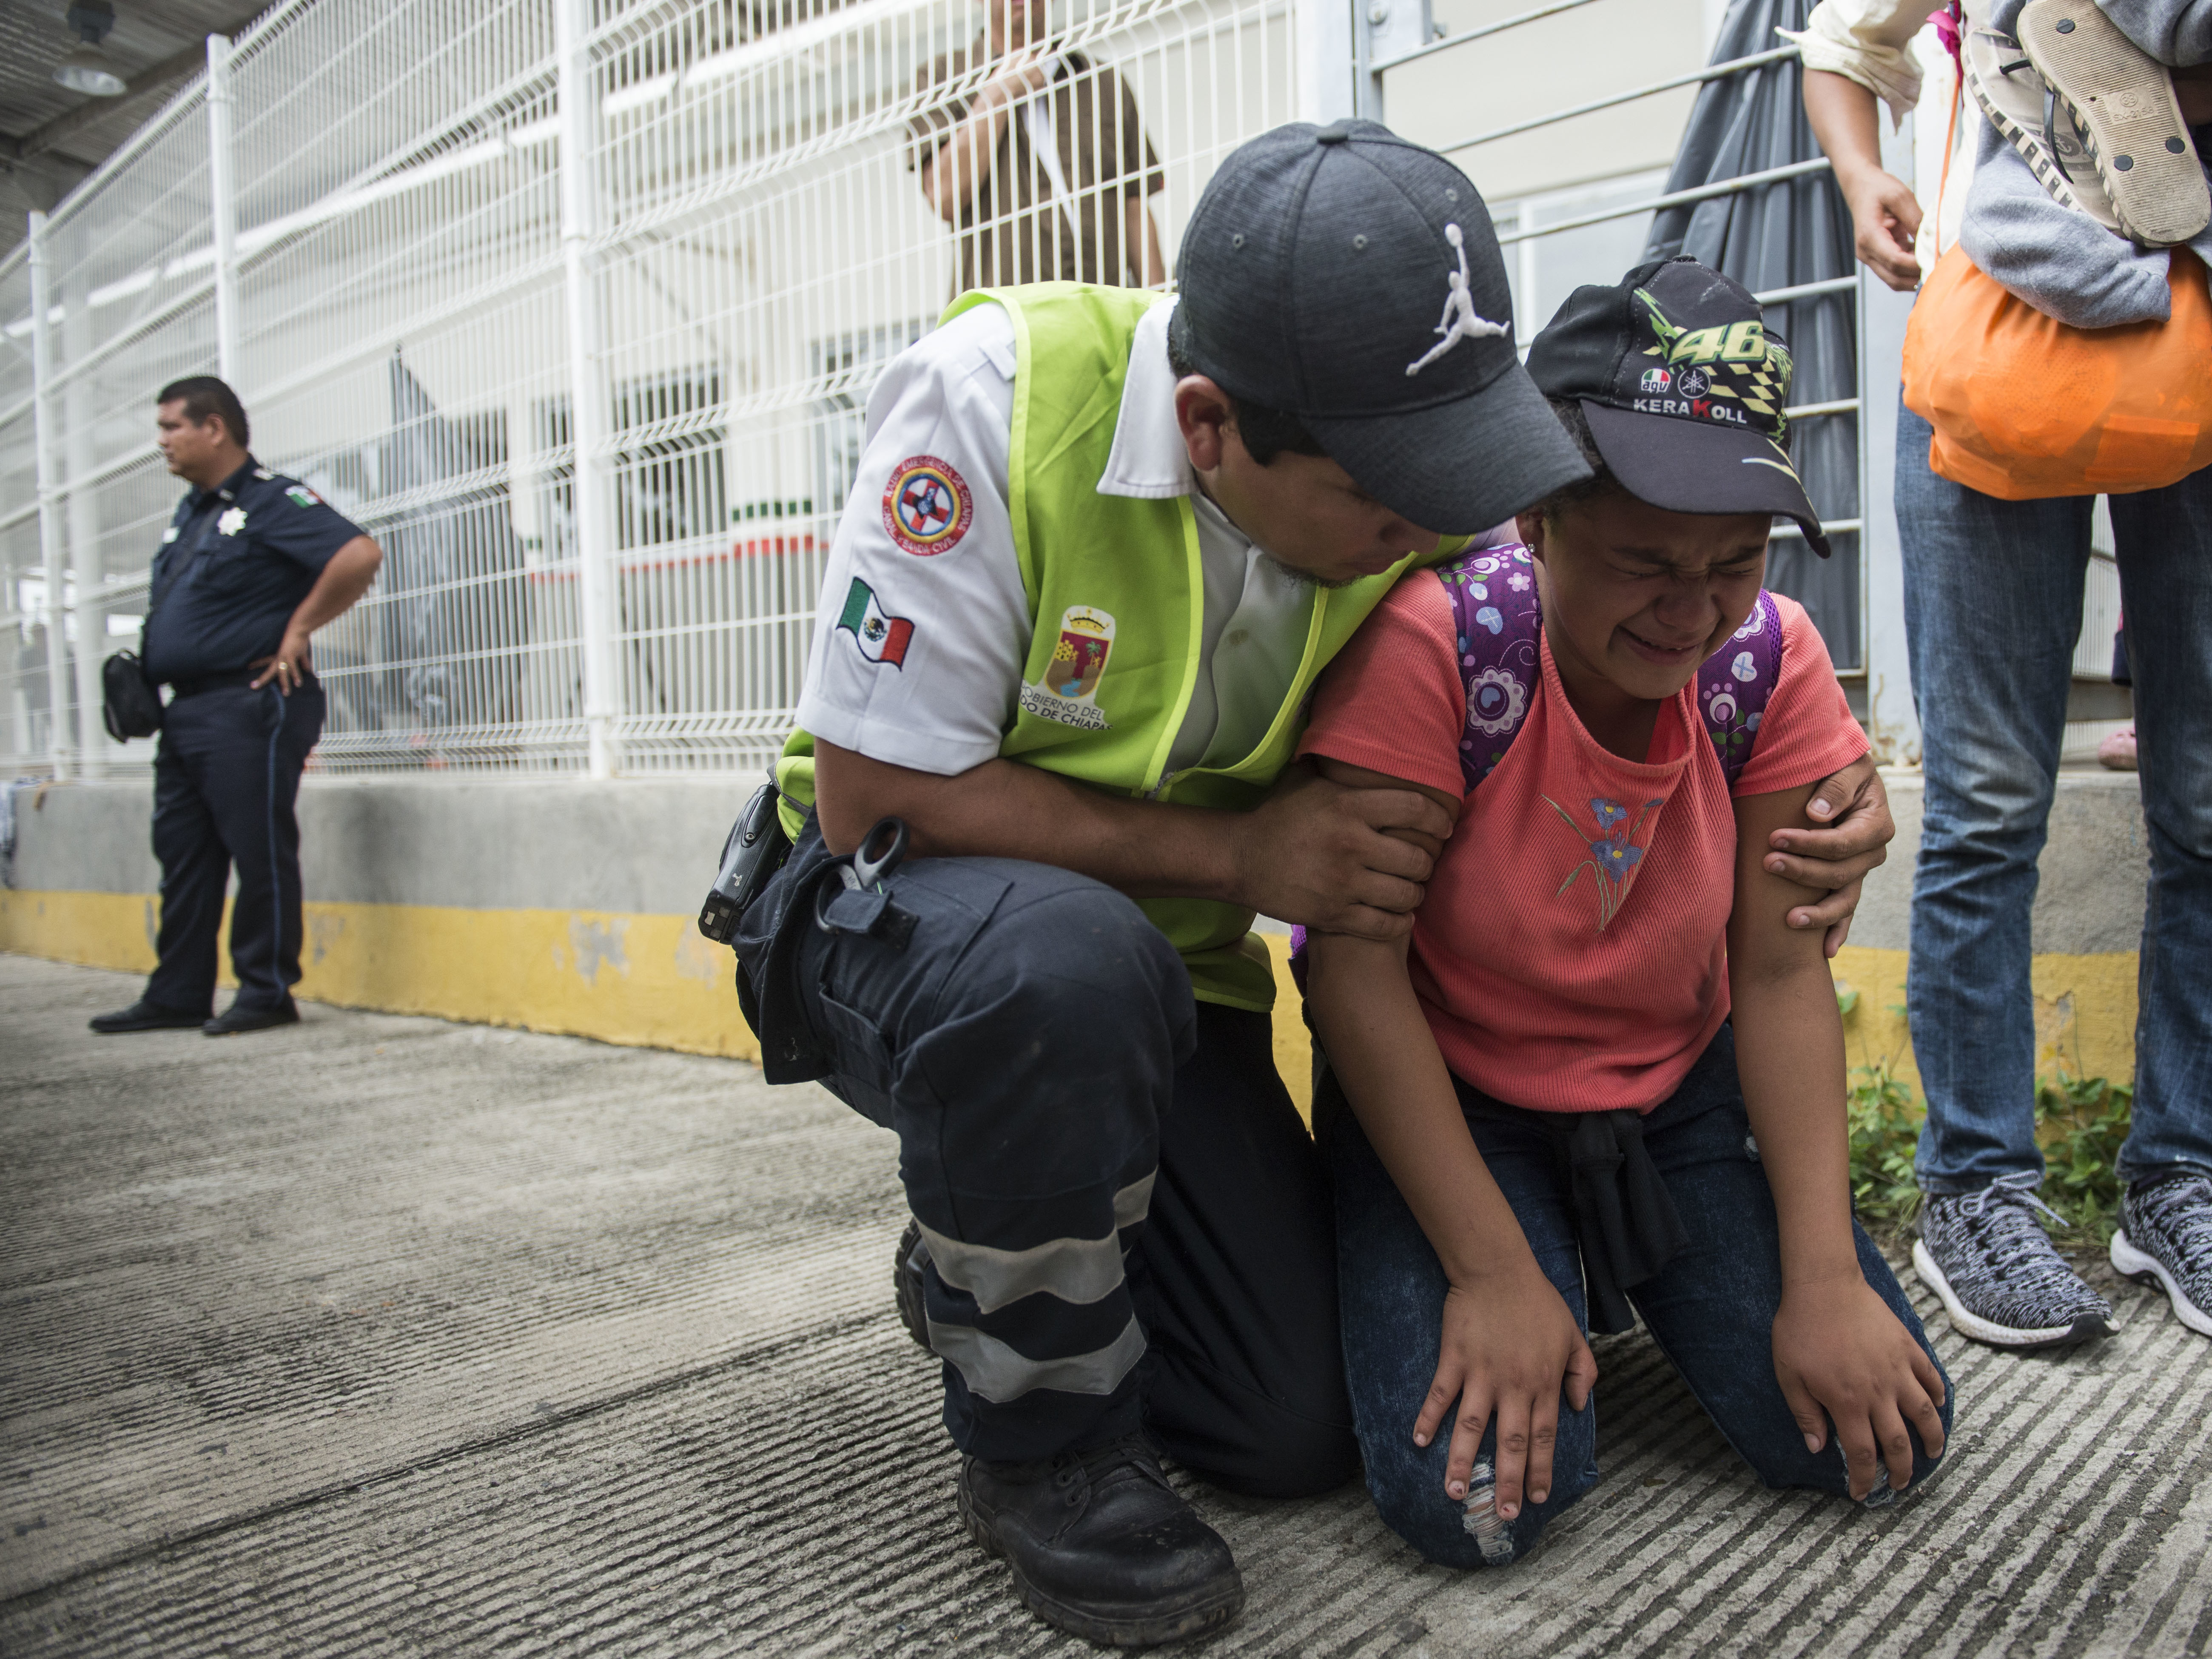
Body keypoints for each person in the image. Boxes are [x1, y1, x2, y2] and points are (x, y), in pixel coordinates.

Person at [733, 122, 1900, 1646]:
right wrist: (1237, 856)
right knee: (1063, 969)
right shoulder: (991, 405)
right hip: (897, 913)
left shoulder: (1407, 478)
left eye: (1465, 470)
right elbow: (871, 795)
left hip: (1168, 977)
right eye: (1391, 498)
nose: (1439, 528)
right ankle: (1043, 1454)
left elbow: (1604, 609)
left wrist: (1826, 785)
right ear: (1209, 426)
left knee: (1284, 1424)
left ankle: (992, 1250)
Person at [1797, 0, 2212, 1352]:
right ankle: (1974, 1186)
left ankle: (2186, 1182)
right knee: (1982, 797)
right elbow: (1844, 41)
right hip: (1986, 346)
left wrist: (2198, 76)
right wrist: (1865, 180)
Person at [1298, 258, 1953, 1571]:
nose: (1693, 609)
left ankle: (1614, 1259)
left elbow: (1776, 979)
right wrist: (1487, 1269)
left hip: (1674, 1102)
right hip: (1457, 1098)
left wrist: (1821, 1273)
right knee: (1479, 1502)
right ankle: (1511, 1259)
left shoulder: (1766, 663)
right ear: (1537, 514)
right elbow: (1350, 974)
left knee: (1881, 1439)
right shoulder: (1442, 647)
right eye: (1646, 559)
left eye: (1735, 561)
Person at [89, 377, 382, 1038]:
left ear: (214, 427)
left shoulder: (271, 501)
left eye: (171, 427)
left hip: (250, 703)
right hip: (187, 711)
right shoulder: (193, 513)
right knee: (184, 855)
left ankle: (266, 989)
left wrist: (301, 627)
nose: (161, 440)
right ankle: (178, 992)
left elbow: (359, 554)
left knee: (258, 849)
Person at [913, 0, 1166, 293]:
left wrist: (1157, 312)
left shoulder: (1102, 82)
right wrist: (999, 94)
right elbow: (945, 195)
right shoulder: (942, 80)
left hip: (1101, 312)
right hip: (1003, 322)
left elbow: (1133, 205)